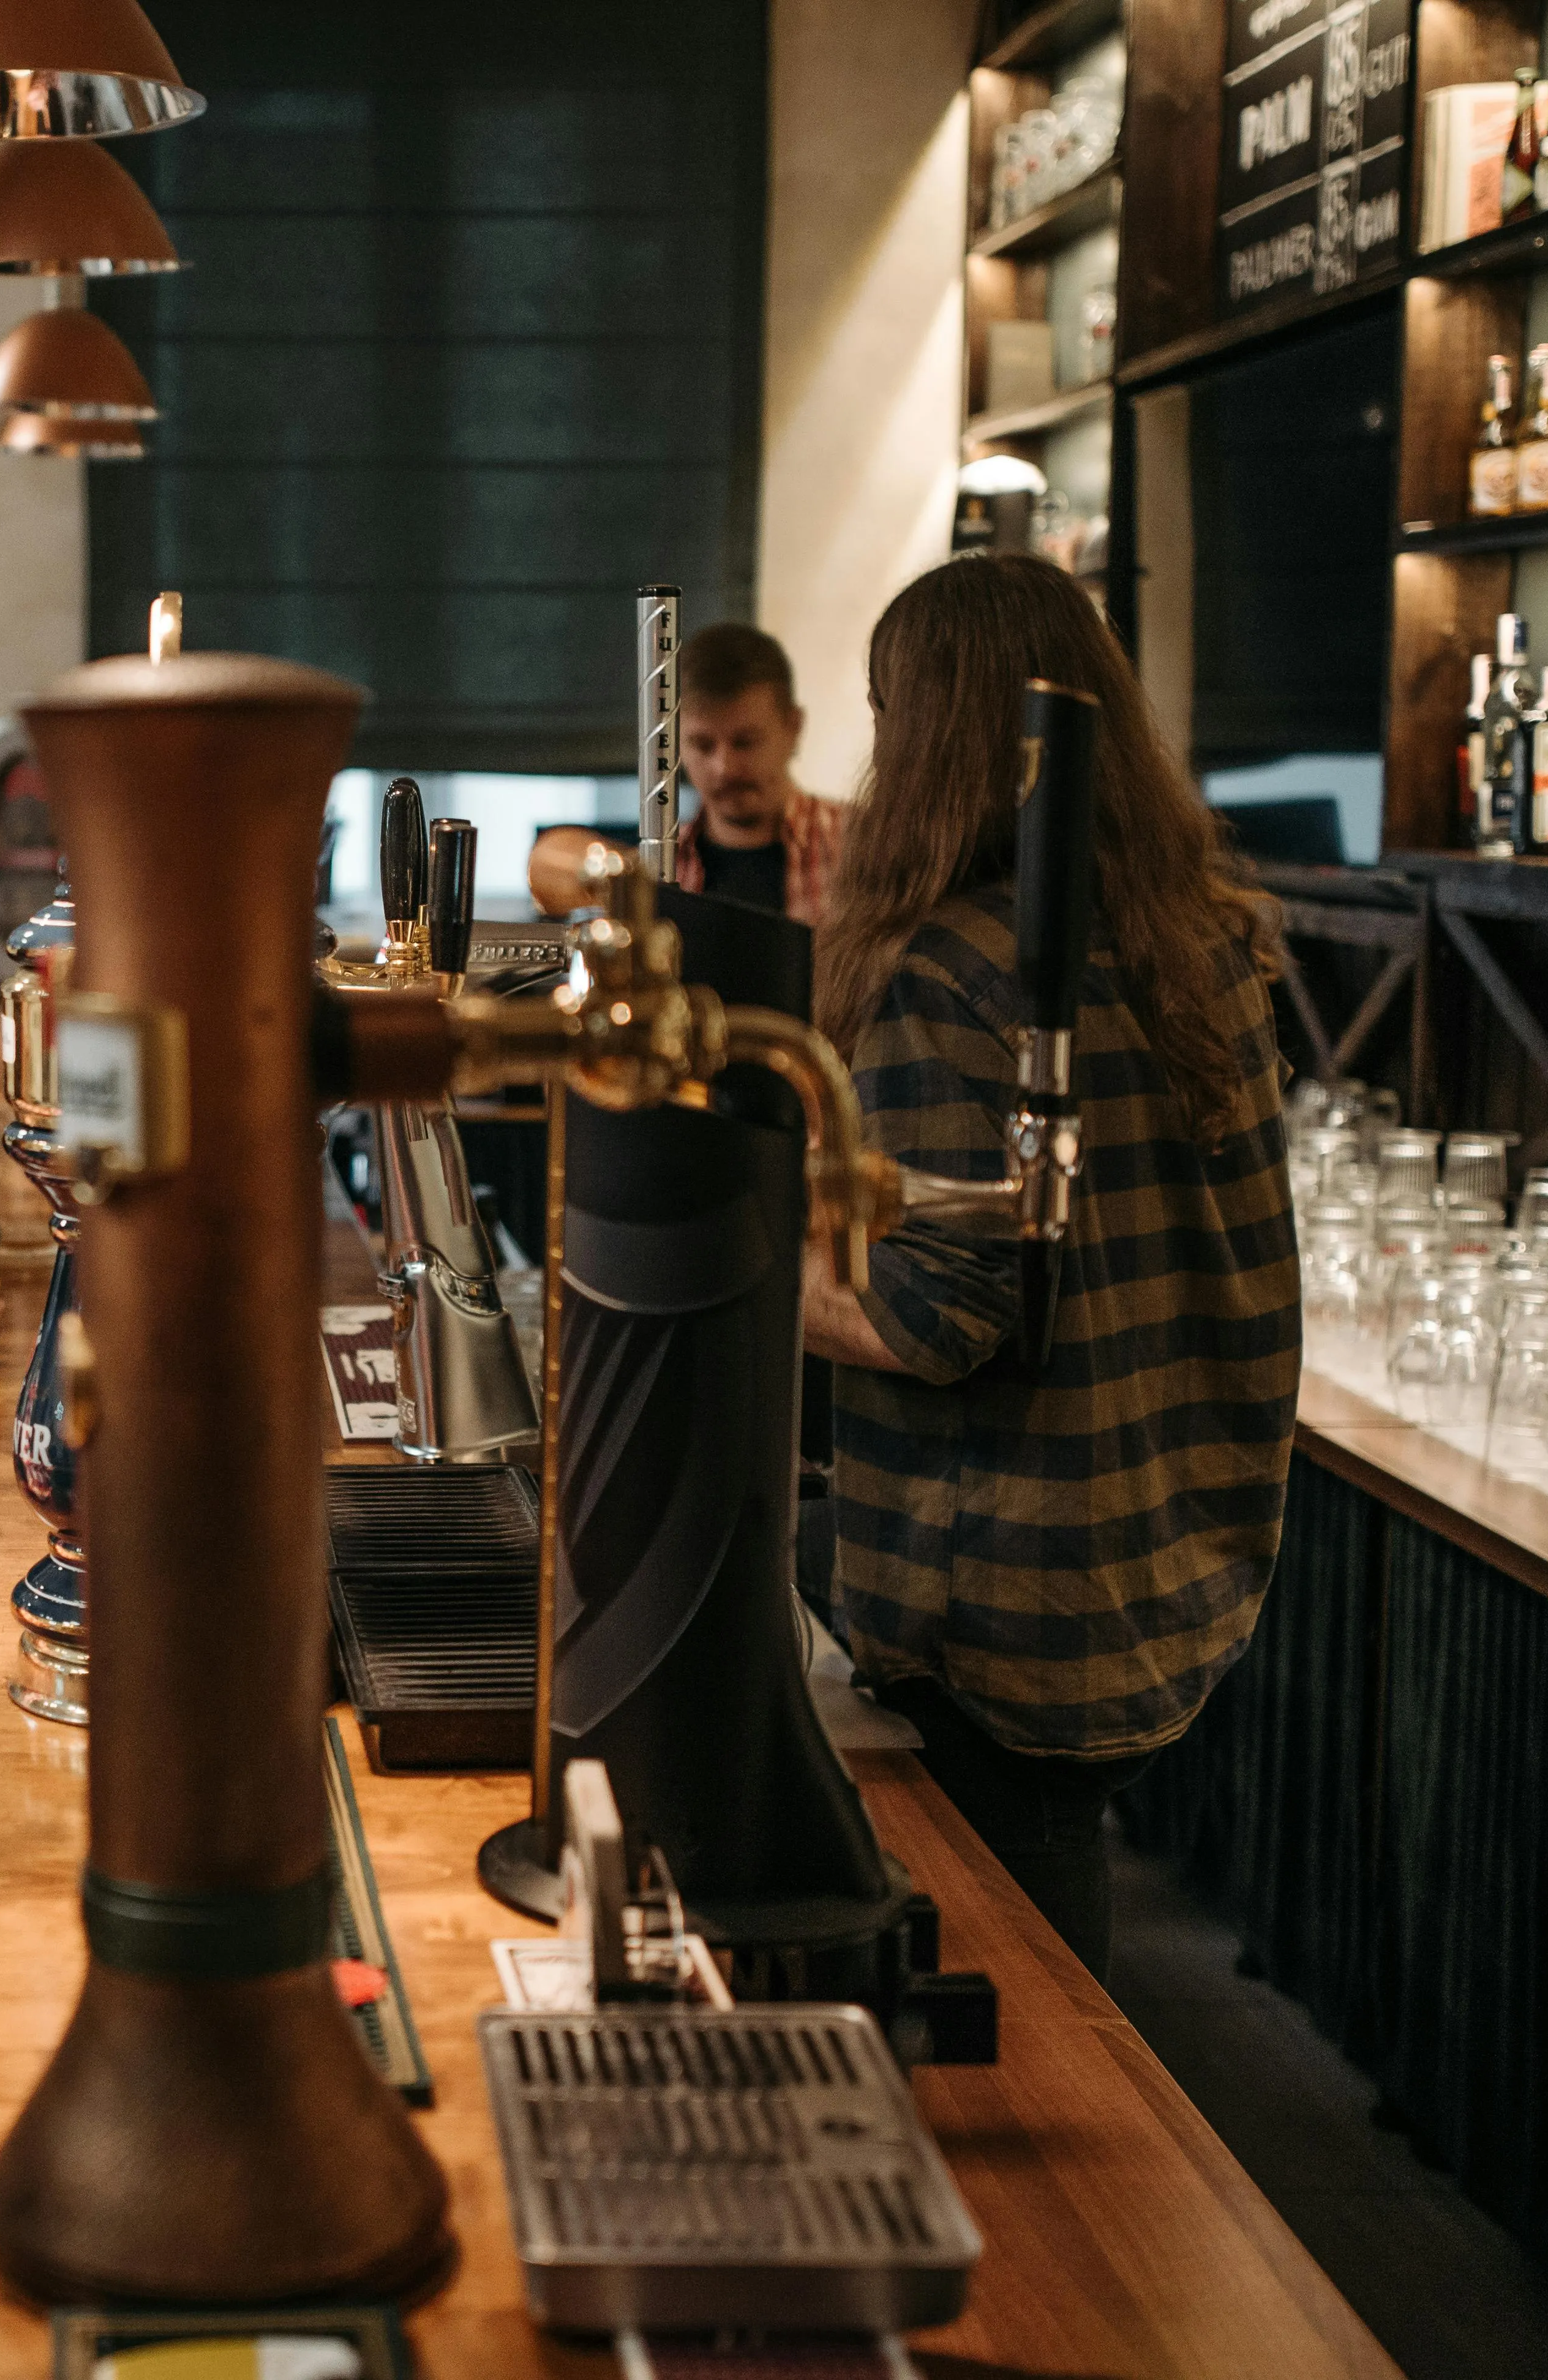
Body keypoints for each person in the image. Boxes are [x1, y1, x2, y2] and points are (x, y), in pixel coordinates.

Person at [802, 553, 1300, 1981]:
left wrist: (736, 1263)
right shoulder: (1203, 936)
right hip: (1161, 1541)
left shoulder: (952, 972)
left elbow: (930, 1317)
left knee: (1019, 1967)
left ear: (923, 738)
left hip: (1008, 1581)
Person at [528, 622, 848, 922]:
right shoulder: (658, 868)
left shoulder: (858, 844)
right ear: (675, 744)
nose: (724, 768)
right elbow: (546, 863)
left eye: (745, 743)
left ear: (794, 728)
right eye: (703, 745)